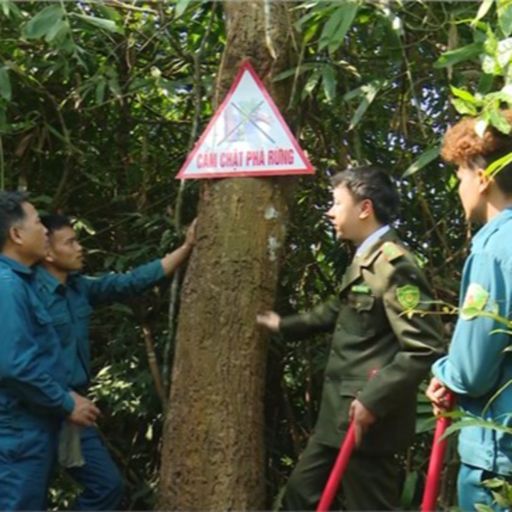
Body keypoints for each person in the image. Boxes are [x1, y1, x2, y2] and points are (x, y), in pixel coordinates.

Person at [257, 166, 445, 510]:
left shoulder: (394, 264)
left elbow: (425, 347)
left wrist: (373, 400)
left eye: (337, 202)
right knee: (299, 496)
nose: (330, 211)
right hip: (338, 416)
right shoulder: (365, 257)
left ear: (364, 208)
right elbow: (337, 311)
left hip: (367, 421)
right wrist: (283, 325)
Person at [33, 213, 195, 510]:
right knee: (28, 497)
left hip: (74, 411)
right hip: (37, 409)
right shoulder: (24, 292)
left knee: (107, 486)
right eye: (70, 242)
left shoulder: (79, 287)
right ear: (47, 252)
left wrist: (185, 249)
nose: (79, 247)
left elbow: (129, 282)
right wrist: (61, 398)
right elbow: (20, 359)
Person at [426, 111, 512, 511]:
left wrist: (445, 374)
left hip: (499, 461)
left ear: (484, 177)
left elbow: (473, 371)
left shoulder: (494, 247)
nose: (458, 185)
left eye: (460, 174)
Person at [0, 191, 100, 511]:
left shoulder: (22, 282)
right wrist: (65, 400)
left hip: (31, 430)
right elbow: (14, 365)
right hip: (17, 435)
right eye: (36, 222)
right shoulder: (8, 286)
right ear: (16, 234)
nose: (45, 230)